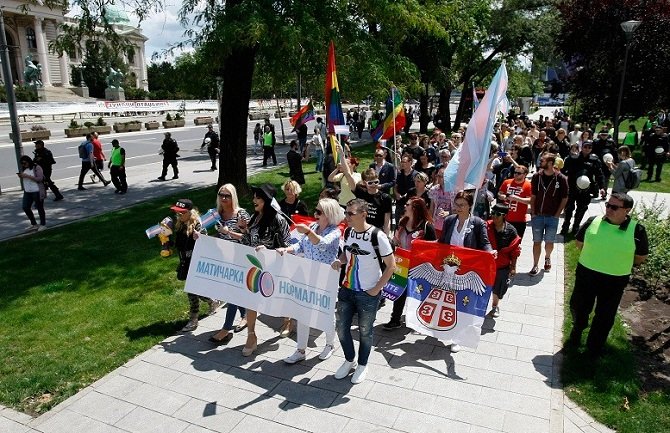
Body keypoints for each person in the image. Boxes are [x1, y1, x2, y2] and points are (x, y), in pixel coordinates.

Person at [566, 193, 648, 358]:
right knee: (578, 306)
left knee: (605, 315)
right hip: (587, 274)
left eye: (614, 207)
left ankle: (593, 348)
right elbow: (579, 243)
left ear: (627, 210)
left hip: (615, 279)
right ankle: (578, 328)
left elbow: (640, 257)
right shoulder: (592, 221)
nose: (609, 209)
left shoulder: (637, 230)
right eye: (608, 205)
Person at [331, 198, 395, 384]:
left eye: (351, 213)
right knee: (341, 329)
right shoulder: (349, 231)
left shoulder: (377, 236)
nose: (347, 216)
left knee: (365, 331)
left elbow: (391, 266)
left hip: (367, 294)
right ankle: (349, 360)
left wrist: (376, 289)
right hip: (346, 289)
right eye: (346, 212)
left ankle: (362, 364)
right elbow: (348, 252)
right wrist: (340, 260)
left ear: (363, 214)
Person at [276, 198, 344, 363]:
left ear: (329, 215)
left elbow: (321, 244)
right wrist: (287, 249)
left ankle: (330, 344)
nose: (315, 214)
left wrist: (307, 232)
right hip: (307, 275)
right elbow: (300, 245)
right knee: (302, 311)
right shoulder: (313, 227)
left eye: (319, 212)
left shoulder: (335, 232)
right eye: (316, 210)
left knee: (326, 313)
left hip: (326, 278)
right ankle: (300, 350)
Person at [238, 184, 291, 356]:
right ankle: (251, 335)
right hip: (254, 267)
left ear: (266, 201)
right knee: (251, 300)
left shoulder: (278, 219)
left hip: (274, 268)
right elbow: (247, 242)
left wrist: (268, 252)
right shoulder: (254, 218)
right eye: (254, 197)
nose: (253, 200)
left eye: (257, 197)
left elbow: (289, 246)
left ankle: (288, 320)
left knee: (279, 299)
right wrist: (243, 230)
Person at [438, 190, 493, 352]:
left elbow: (484, 243)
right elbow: (442, 243)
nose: (458, 207)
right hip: (449, 268)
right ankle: (447, 328)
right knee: (449, 301)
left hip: (468, 271)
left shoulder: (477, 223)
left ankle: (458, 338)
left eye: (462, 205)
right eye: (456, 204)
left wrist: (490, 252)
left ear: (470, 206)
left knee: (463, 303)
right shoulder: (449, 220)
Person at [383, 197, 436, 329]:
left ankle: (419, 319)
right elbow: (395, 241)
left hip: (419, 267)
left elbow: (434, 248)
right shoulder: (402, 222)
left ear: (415, 208)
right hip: (401, 264)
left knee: (417, 293)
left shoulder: (426, 227)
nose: (404, 206)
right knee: (399, 292)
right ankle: (395, 319)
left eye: (407, 205)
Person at [208, 184, 251, 344]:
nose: (224, 198)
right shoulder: (216, 215)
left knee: (231, 293)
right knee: (233, 292)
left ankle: (226, 329)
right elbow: (208, 233)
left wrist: (229, 233)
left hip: (240, 259)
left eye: (227, 195)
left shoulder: (241, 214)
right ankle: (245, 315)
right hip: (223, 259)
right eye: (221, 195)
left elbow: (249, 237)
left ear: (233, 197)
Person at [172, 199, 221, 332]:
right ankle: (212, 301)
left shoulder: (198, 225)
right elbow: (179, 243)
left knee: (191, 291)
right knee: (195, 290)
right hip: (185, 262)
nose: (179, 215)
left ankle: (193, 319)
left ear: (189, 212)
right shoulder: (180, 225)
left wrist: (199, 237)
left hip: (197, 263)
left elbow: (206, 244)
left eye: (181, 213)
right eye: (177, 213)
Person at [529, 153, 569, 275]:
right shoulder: (537, 176)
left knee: (549, 242)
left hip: (552, 216)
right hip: (538, 216)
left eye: (543, 160)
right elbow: (533, 195)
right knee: (536, 241)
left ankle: (547, 257)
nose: (540, 161)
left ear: (551, 163)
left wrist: (557, 214)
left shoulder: (561, 178)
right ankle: (535, 265)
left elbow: (564, 198)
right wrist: (533, 212)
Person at [560, 142, 605, 236]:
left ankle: (576, 227)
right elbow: (563, 171)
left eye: (589, 147)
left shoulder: (595, 160)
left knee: (582, 208)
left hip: (586, 188)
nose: (587, 149)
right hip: (572, 187)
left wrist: (602, 187)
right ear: (581, 147)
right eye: (585, 147)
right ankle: (565, 226)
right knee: (569, 208)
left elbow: (599, 175)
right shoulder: (572, 158)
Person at [486, 203, 521, 318]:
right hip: (486, 264)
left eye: (498, 214)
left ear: (504, 215)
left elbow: (514, 250)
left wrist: (513, 267)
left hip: (502, 265)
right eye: (493, 213)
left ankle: (495, 306)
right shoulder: (485, 226)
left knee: (498, 288)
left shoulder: (511, 231)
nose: (494, 216)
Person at [497, 164, 531, 238]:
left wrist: (516, 198)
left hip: (519, 220)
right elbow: (500, 193)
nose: (516, 174)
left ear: (525, 174)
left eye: (519, 173)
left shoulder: (528, 185)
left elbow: (530, 200)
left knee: (516, 242)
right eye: (515, 172)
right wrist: (501, 196)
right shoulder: (507, 182)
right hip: (505, 218)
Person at [18, 155, 47, 231]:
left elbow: (40, 179)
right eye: (22, 164)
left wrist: (28, 176)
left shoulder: (36, 167)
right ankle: (34, 224)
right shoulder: (24, 169)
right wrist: (22, 176)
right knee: (25, 207)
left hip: (36, 191)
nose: (24, 165)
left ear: (29, 161)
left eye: (24, 163)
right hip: (27, 192)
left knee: (40, 208)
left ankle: (43, 224)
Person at [428, 166, 453, 234]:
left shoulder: (453, 191)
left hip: (449, 225)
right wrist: (429, 223)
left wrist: (448, 213)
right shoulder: (433, 190)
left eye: (440, 176)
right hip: (436, 224)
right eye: (437, 176)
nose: (438, 178)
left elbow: (457, 209)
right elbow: (431, 208)